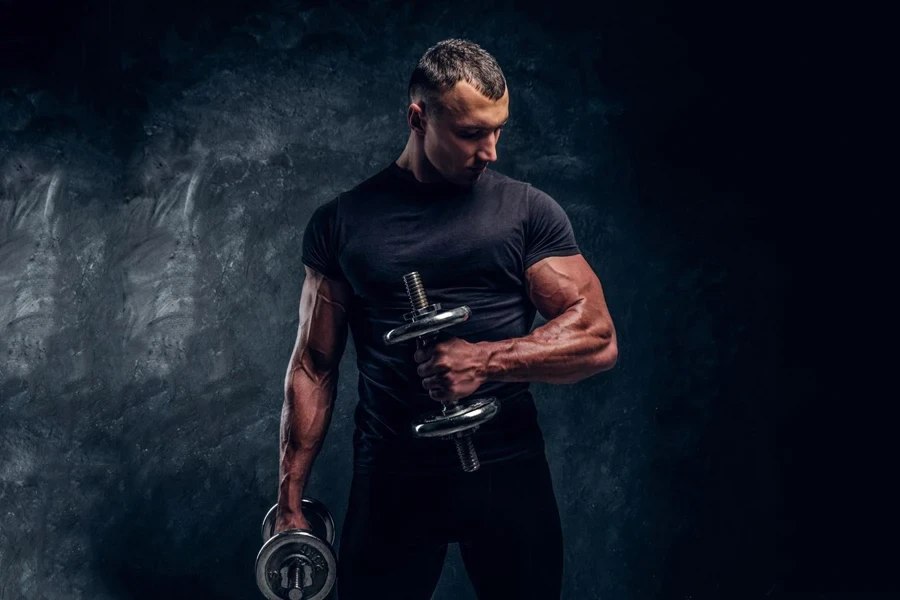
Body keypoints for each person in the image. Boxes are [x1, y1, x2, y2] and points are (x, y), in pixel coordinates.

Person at [274, 39, 618, 600]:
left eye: (497, 129)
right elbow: (313, 366)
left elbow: (598, 337)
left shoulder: (527, 211)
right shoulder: (343, 223)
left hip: (508, 474)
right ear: (418, 117)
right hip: (392, 477)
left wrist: (485, 360)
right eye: (470, 133)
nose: (490, 151)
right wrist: (290, 501)